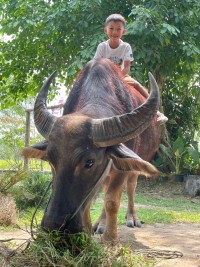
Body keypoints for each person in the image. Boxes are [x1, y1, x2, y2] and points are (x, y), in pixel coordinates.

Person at [94, 13, 168, 125]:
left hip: (121, 76)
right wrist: (106, 78)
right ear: (105, 30)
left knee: (136, 85)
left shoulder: (126, 46)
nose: (114, 32)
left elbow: (126, 67)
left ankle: (157, 112)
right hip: (104, 77)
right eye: (111, 29)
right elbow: (96, 65)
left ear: (123, 31)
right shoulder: (102, 46)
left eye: (118, 29)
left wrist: (117, 78)